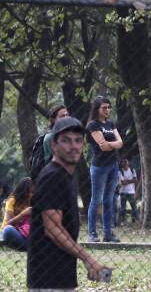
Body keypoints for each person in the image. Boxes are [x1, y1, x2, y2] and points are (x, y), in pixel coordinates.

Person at [27, 117, 110, 290]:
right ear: (54, 145)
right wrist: (87, 258)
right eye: (66, 140)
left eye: (78, 140)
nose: (73, 146)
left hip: (60, 274)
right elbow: (52, 229)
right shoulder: (53, 177)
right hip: (47, 277)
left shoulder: (66, 174)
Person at [86, 96, 123, 242]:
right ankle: (92, 234)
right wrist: (113, 143)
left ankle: (108, 233)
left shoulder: (111, 123)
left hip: (113, 165)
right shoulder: (92, 125)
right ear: (97, 109)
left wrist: (111, 144)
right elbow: (103, 146)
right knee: (96, 200)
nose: (107, 110)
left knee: (109, 200)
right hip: (99, 167)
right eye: (104, 108)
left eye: (109, 107)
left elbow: (120, 143)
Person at [1, 177, 33, 251]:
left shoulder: (31, 201)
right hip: (13, 230)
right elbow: (9, 222)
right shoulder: (12, 200)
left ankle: (27, 247)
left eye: (33, 192)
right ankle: (29, 247)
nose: (31, 195)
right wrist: (23, 214)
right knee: (8, 230)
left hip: (25, 233)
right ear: (24, 191)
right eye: (30, 192)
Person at [118, 159, 139, 224]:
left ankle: (135, 220)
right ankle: (123, 221)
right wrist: (131, 180)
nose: (124, 164)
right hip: (123, 192)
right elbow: (123, 182)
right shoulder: (120, 172)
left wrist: (127, 181)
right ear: (121, 164)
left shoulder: (132, 170)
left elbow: (135, 180)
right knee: (123, 208)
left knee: (134, 207)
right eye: (123, 162)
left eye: (125, 162)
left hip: (131, 192)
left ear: (128, 163)